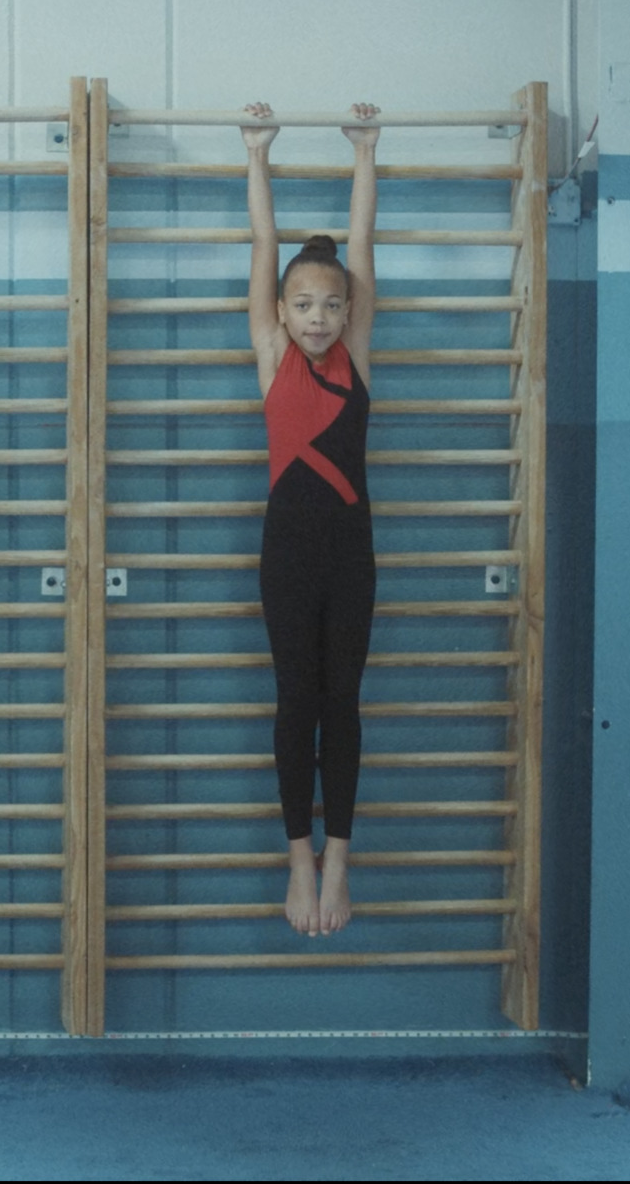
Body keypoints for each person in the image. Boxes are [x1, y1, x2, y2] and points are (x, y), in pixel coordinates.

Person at [242, 101, 381, 937]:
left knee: (345, 701)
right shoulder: (271, 356)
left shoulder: (357, 354)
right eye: (304, 306)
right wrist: (259, 154)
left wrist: (364, 155)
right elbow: (264, 249)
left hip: (351, 553)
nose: (320, 318)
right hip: (287, 556)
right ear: (284, 313)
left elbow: (360, 252)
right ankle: (299, 857)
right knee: (298, 700)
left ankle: (340, 857)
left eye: (332, 305)